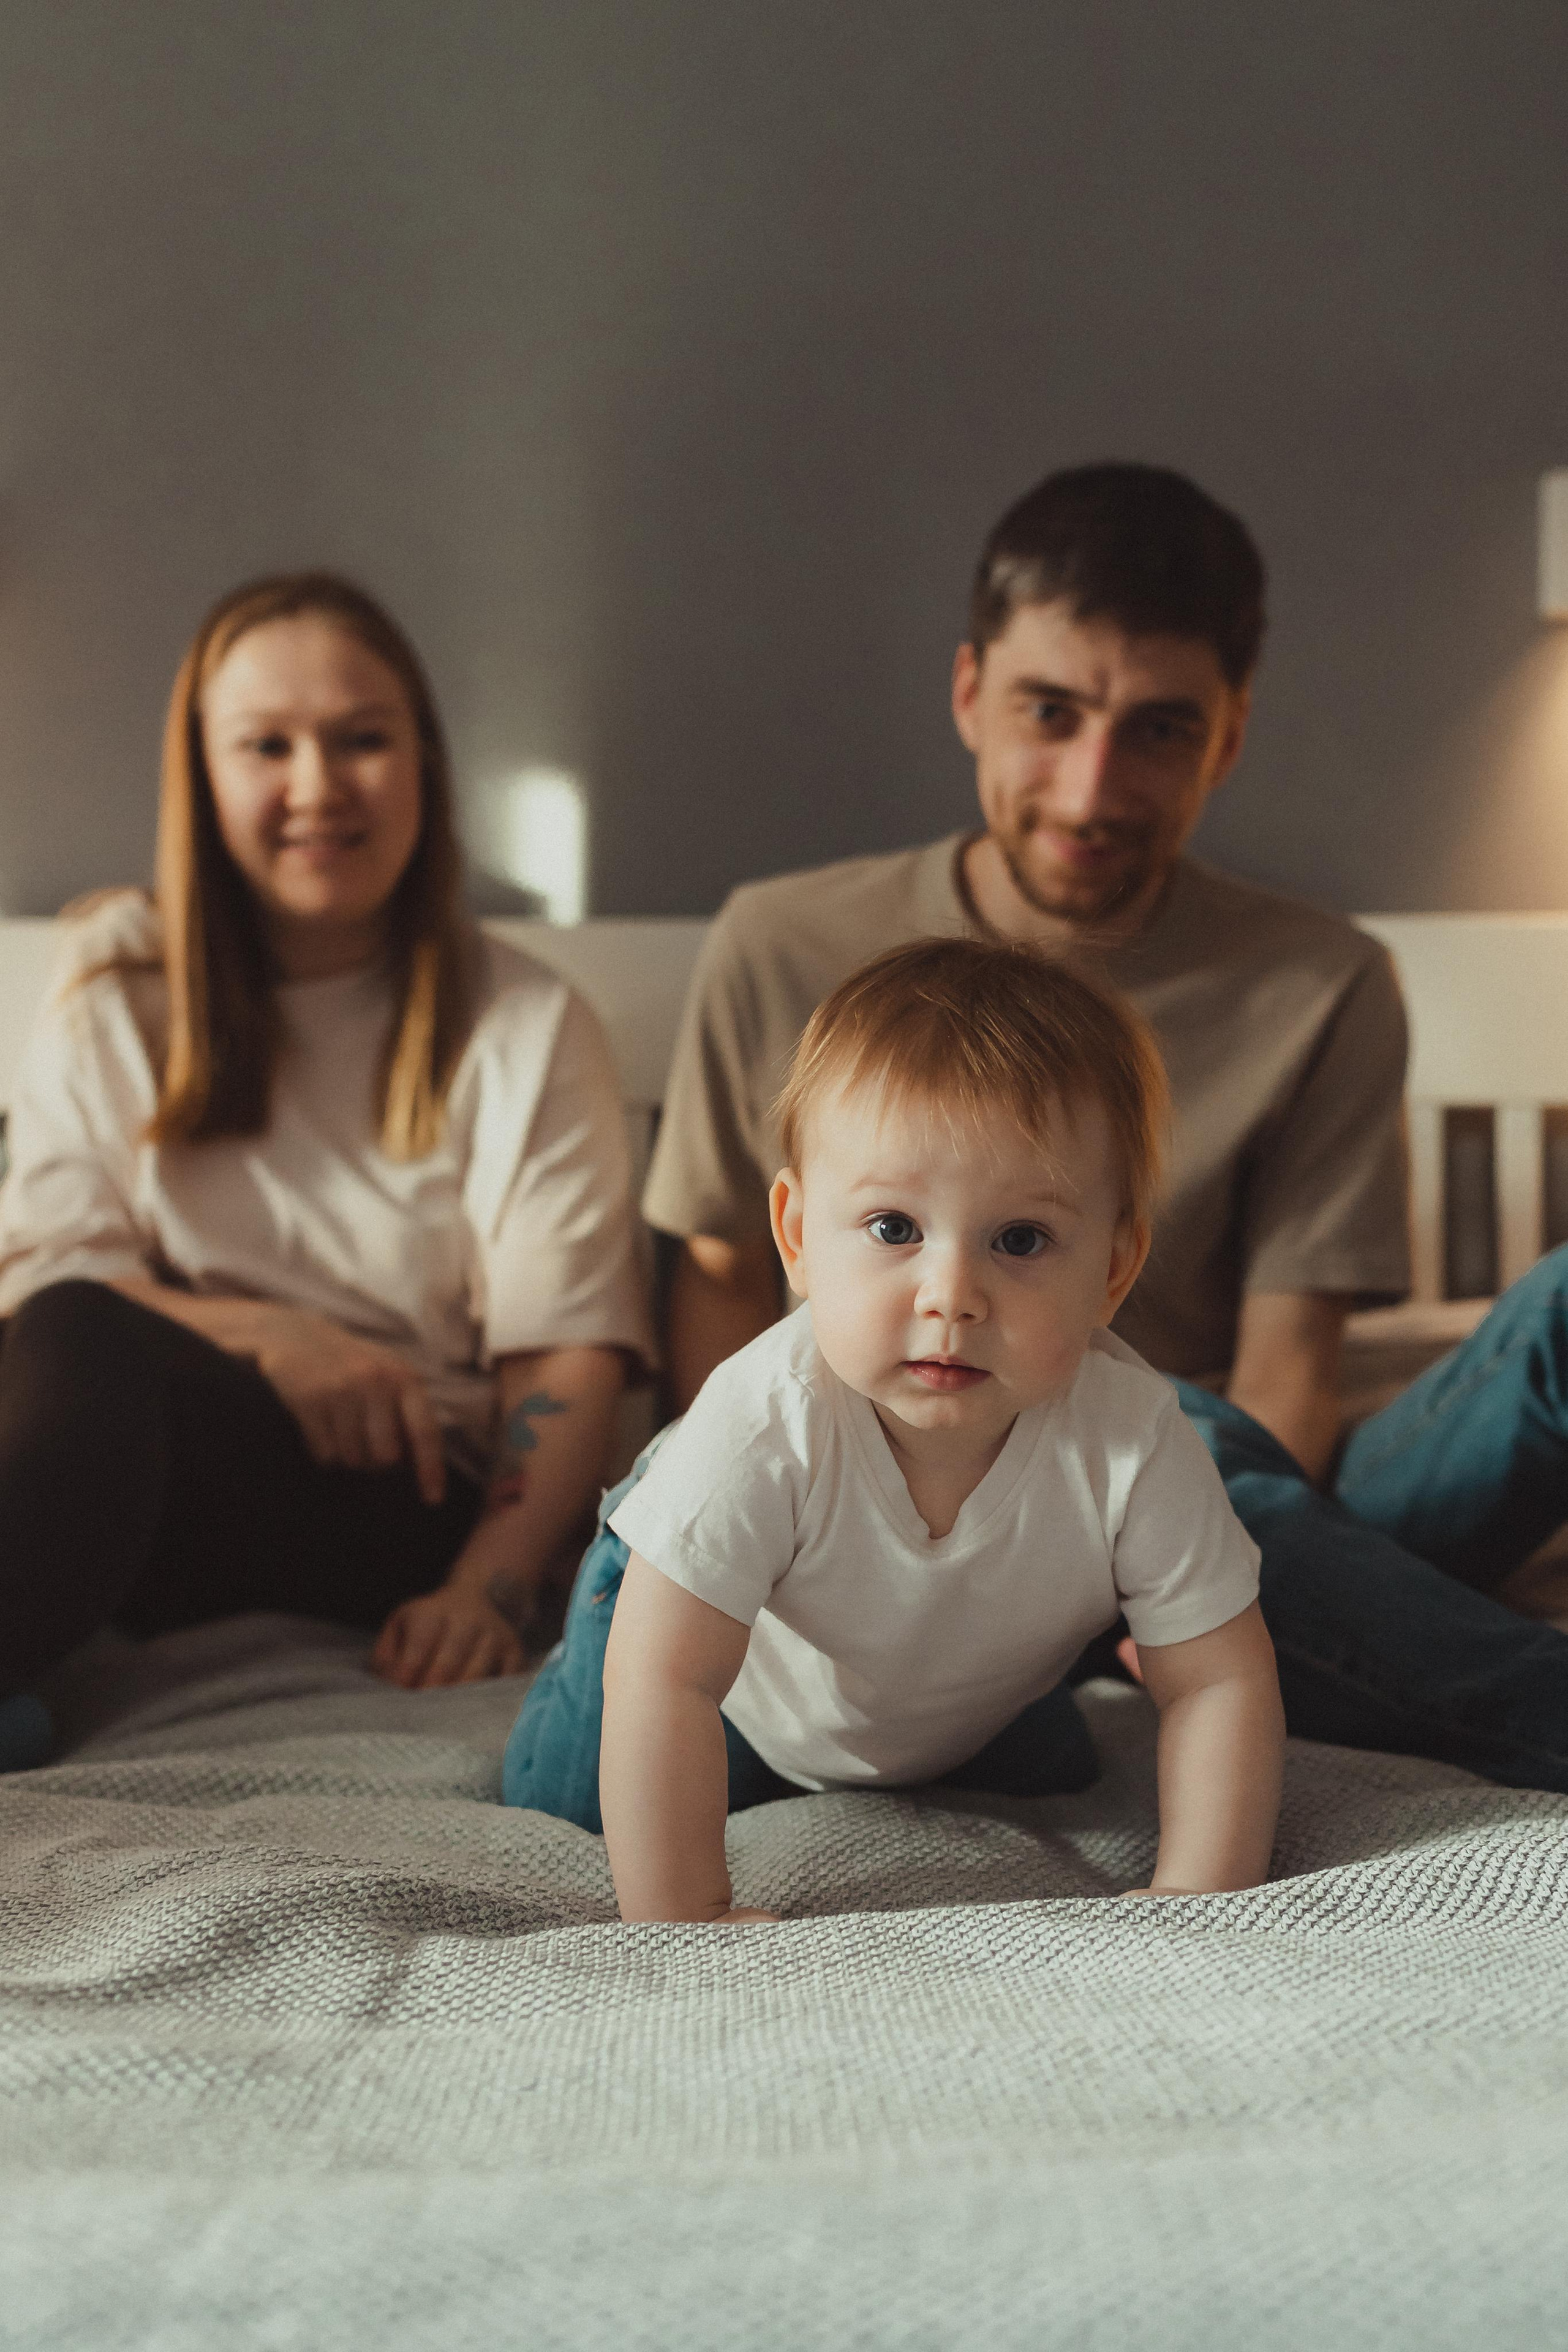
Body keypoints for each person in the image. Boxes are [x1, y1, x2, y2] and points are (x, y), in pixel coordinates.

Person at [640, 462, 1568, 1797]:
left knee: (1184, 1429)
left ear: (1228, 737)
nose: (1091, 789)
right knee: (1166, 1432)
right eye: (1049, 713)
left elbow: (1287, 1378)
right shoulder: (782, 945)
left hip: (1197, 1502)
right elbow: (724, 1295)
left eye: (1159, 730)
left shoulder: (1322, 984)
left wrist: (1156, 1573)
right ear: (970, 693)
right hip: (886, 1517)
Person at [0, 571, 652, 1771]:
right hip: (144, 1483)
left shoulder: (523, 1023)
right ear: (203, 775)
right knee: (66, 1334)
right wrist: (272, 1337)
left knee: (83, 1335)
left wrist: (485, 1590)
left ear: (424, 765)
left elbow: (564, 1357)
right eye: (268, 746)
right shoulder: (118, 986)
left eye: (362, 739)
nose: (317, 787)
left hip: (399, 1500)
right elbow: (44, 1285)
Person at [504, 939, 1284, 1920]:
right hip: (728, 1686)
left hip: (962, 1693)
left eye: (1021, 1240)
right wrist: (687, 1917)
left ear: (1115, 1272)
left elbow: (1218, 1683)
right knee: (571, 1800)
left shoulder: (1135, 1440)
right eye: (894, 1229)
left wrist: (1198, 1900)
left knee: (1063, 1769)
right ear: (797, 1237)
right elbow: (667, 1679)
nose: (951, 1295)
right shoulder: (765, 1422)